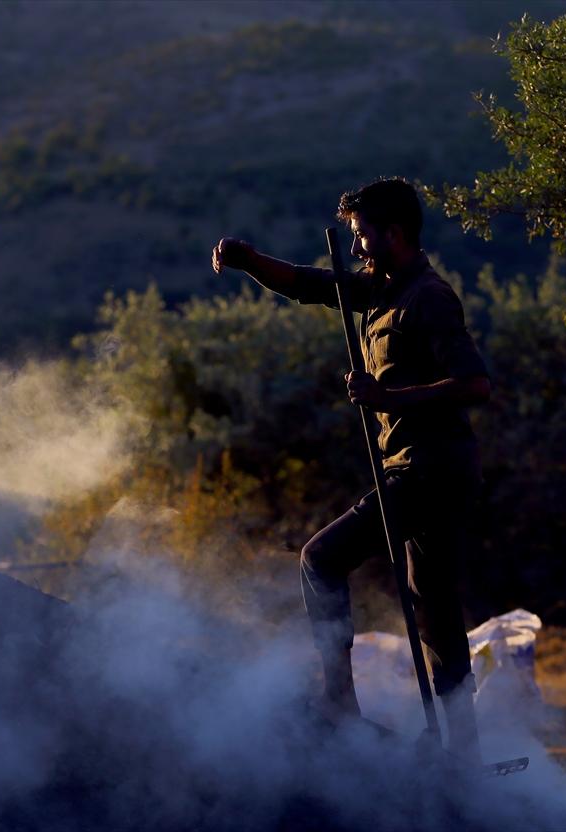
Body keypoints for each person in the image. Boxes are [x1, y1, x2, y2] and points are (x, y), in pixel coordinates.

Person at [211, 177, 490, 760]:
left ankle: (338, 702)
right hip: (424, 469)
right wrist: (248, 260)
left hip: (430, 469)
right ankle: (461, 753)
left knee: (321, 558)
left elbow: (474, 384)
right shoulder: (383, 290)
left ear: (396, 234)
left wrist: (389, 400)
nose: (359, 248)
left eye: (364, 237)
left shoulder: (428, 298)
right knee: (433, 606)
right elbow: (311, 285)